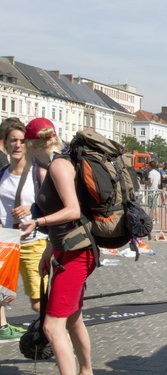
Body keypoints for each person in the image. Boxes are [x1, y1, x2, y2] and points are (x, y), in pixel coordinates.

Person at [19, 118, 95, 375]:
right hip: (68, 250)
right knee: (73, 319)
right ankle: (86, 371)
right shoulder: (56, 163)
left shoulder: (59, 165)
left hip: (76, 252)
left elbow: (72, 211)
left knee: (52, 327)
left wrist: (37, 221)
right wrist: (49, 251)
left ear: (32, 143)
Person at [0, 118, 48, 311]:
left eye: (21, 141)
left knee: (38, 301)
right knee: (1, 293)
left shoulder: (38, 174)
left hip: (32, 242)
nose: (17, 145)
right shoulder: (2, 174)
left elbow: (54, 207)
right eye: (13, 140)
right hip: (6, 242)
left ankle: (55, 334)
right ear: (5, 144)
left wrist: (32, 208)